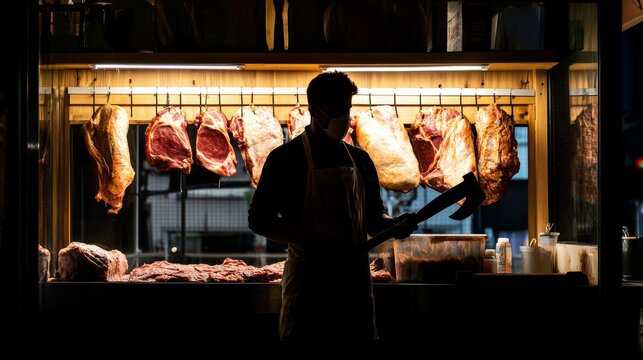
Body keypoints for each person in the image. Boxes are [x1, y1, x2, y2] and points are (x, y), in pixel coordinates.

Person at [248, 71, 417, 345]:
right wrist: (305, 238)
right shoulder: (285, 159)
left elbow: (373, 219)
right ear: (315, 110)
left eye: (347, 108)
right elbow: (258, 219)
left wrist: (394, 224)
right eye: (336, 108)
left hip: (355, 290)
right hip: (308, 289)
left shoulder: (361, 159)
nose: (344, 117)